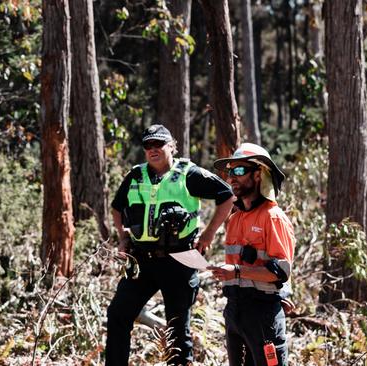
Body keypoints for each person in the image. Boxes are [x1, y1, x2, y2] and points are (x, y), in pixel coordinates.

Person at [106, 124, 234, 366]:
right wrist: (123, 237)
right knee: (117, 315)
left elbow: (226, 196)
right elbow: (116, 207)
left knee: (177, 327)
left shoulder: (189, 173)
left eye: (159, 144)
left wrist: (208, 234)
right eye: (148, 145)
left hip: (179, 259)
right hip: (142, 259)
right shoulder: (136, 175)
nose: (153, 149)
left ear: (172, 146)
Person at [209, 143, 295, 366]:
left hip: (263, 315)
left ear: (258, 174)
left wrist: (236, 271)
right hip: (235, 312)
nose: (232, 178)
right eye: (230, 172)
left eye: (239, 171)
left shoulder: (273, 217)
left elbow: (280, 272)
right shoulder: (235, 219)